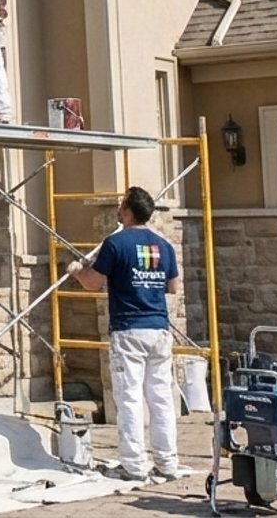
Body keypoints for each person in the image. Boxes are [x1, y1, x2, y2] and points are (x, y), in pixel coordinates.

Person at [68, 186, 185, 482]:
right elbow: (173, 287)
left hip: (128, 329)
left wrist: (77, 270)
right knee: (160, 399)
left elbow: (93, 284)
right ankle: (167, 463)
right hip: (158, 329)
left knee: (130, 398)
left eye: (121, 205)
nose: (118, 209)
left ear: (129, 210)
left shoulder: (115, 243)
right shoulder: (164, 245)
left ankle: (133, 465)